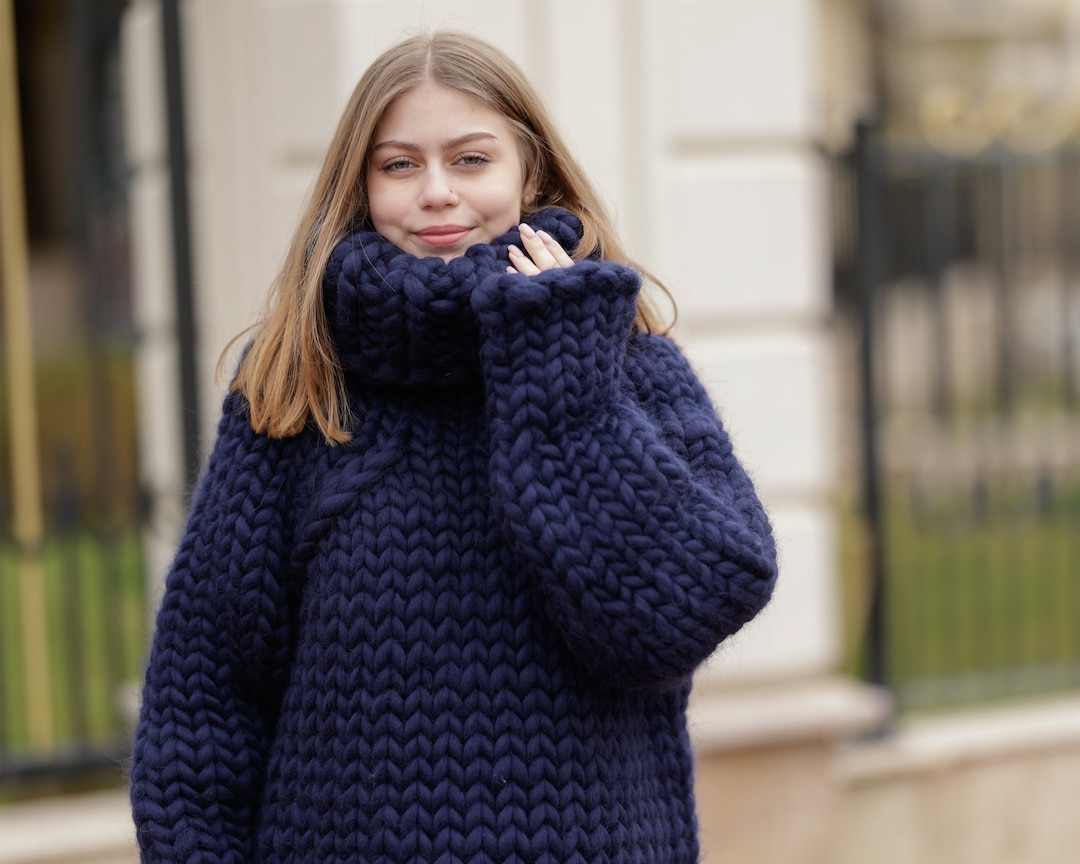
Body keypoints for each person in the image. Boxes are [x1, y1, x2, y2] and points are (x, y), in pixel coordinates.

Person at [130, 29, 778, 864]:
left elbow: (671, 619)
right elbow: (205, 706)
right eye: (399, 165)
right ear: (360, 187)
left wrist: (559, 373)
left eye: (471, 160)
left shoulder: (626, 363)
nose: (437, 193)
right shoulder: (299, 383)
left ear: (529, 173)